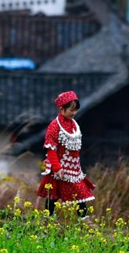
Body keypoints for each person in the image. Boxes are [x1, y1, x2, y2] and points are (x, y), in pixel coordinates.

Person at [36, 91, 95, 219]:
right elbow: (50, 149)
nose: (74, 113)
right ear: (62, 110)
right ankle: (48, 220)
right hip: (59, 168)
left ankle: (83, 220)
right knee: (53, 195)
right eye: (71, 110)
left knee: (80, 193)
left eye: (76, 110)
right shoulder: (54, 126)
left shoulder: (74, 125)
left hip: (73, 168)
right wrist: (57, 168)